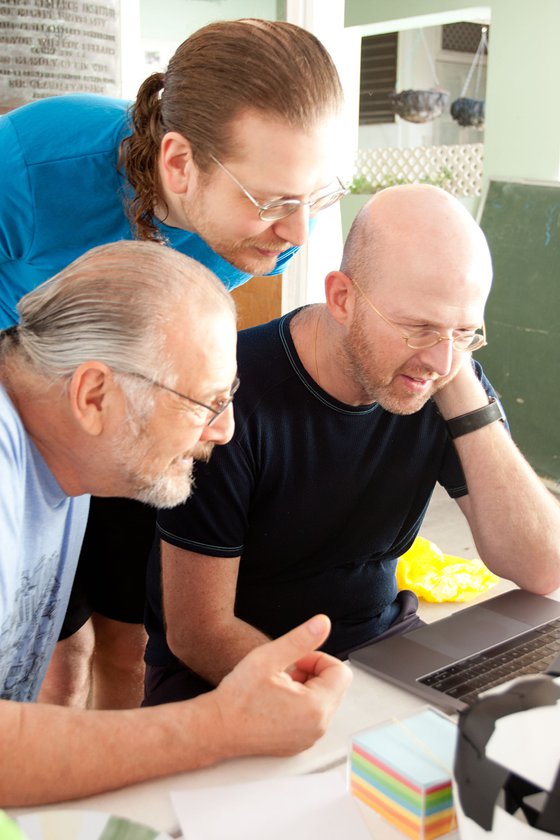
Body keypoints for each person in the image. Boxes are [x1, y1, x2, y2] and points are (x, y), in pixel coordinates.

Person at [0, 17, 346, 709]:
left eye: (313, 198)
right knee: (50, 644)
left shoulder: (256, 239)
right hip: (32, 419)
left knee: (129, 642)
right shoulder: (32, 167)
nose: (298, 234)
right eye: (274, 201)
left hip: (135, 415)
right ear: (180, 162)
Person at [143, 184, 560, 704]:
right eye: (419, 328)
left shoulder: (446, 378)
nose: (441, 361)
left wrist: (463, 389)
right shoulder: (233, 392)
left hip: (383, 645)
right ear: (342, 298)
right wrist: (340, 703)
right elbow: (197, 632)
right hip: (226, 669)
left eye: (466, 331)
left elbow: (543, 565)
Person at [0, 240, 351, 806]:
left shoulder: (65, 448)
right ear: (94, 394)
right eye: (206, 401)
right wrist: (221, 725)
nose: (225, 431)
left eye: (229, 396)